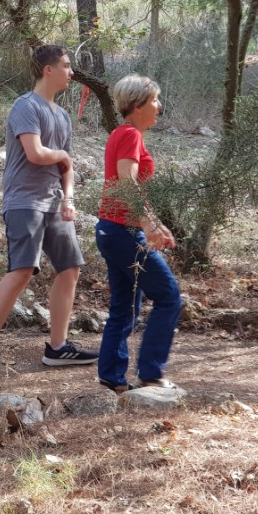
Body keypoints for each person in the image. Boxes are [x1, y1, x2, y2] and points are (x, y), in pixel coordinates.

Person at [0, 45, 98, 381]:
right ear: (48, 70)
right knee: (22, 271)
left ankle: (57, 347)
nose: (72, 72)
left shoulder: (63, 115)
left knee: (70, 269)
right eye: (67, 66)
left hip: (55, 202)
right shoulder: (25, 106)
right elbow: (36, 153)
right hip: (23, 201)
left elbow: (65, 166)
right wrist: (62, 158)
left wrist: (69, 199)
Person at [96, 74, 182, 392]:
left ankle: (113, 378)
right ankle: (151, 373)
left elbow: (128, 188)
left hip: (111, 230)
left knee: (125, 305)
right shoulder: (129, 134)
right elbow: (126, 183)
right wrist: (148, 225)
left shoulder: (125, 133)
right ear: (138, 105)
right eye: (155, 100)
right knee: (169, 297)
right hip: (124, 232)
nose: (159, 105)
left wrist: (154, 223)